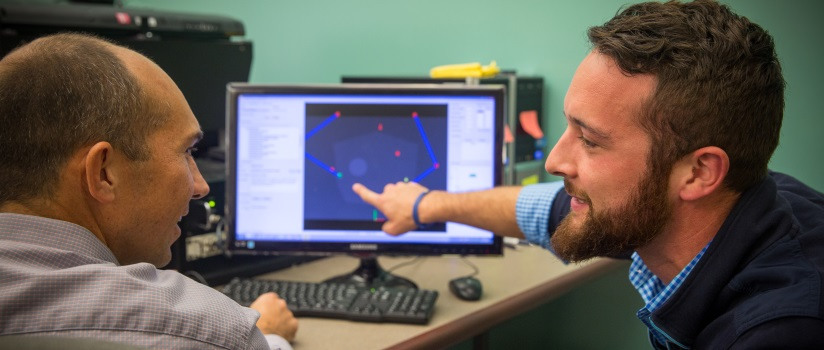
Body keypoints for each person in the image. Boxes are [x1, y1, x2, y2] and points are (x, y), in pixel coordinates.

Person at [353, 0, 824, 348]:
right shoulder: (744, 201)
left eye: (591, 140)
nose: (555, 161)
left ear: (700, 172)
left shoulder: (776, 330)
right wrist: (423, 205)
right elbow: (540, 209)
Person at [0, 33, 297, 349]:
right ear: (103, 173)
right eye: (187, 151)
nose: (201, 186)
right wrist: (264, 334)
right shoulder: (208, 330)